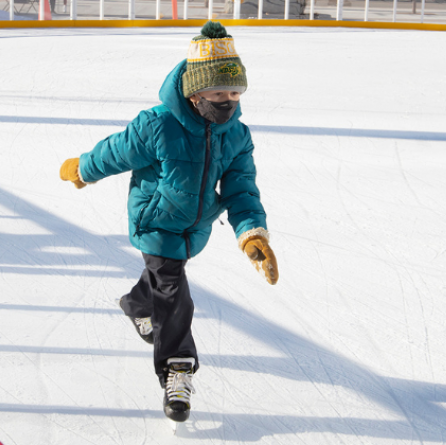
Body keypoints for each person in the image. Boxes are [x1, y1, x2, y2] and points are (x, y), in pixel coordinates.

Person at [58, 21, 278, 423]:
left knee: (161, 284)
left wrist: (251, 234)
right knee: (174, 292)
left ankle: (136, 303)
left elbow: (241, 189)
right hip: (154, 220)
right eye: (218, 93)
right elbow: (116, 152)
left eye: (234, 92)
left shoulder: (236, 135)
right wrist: (84, 169)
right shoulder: (157, 124)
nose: (227, 100)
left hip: (194, 228)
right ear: (195, 93)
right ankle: (177, 367)